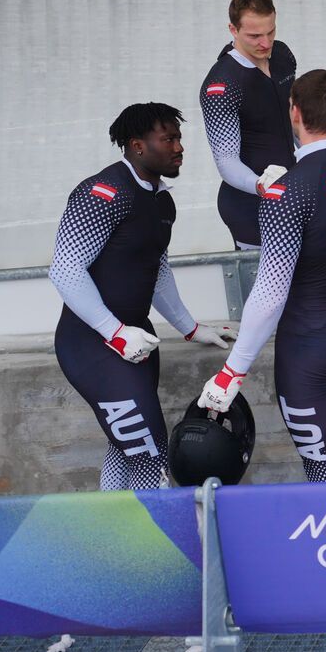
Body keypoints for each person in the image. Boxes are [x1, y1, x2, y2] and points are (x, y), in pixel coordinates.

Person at [199, 70, 326, 483]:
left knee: (322, 466)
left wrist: (232, 371)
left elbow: (270, 291)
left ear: (294, 111)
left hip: (313, 345)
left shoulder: (290, 191)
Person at [50, 102, 230, 490]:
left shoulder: (161, 200)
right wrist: (114, 332)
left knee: (126, 447)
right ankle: (152, 549)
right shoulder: (103, 192)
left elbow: (157, 269)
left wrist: (189, 327)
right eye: (168, 139)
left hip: (136, 340)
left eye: (179, 138)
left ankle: (113, 540)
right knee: (150, 455)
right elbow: (64, 270)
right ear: (137, 146)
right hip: (94, 345)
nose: (179, 147)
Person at [201, 0, 298, 250]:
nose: (265, 43)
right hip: (250, 203)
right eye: (254, 36)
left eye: (271, 32)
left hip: (292, 193)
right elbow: (226, 159)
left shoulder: (282, 55)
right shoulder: (222, 85)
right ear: (233, 30)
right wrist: (260, 185)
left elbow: (296, 123)